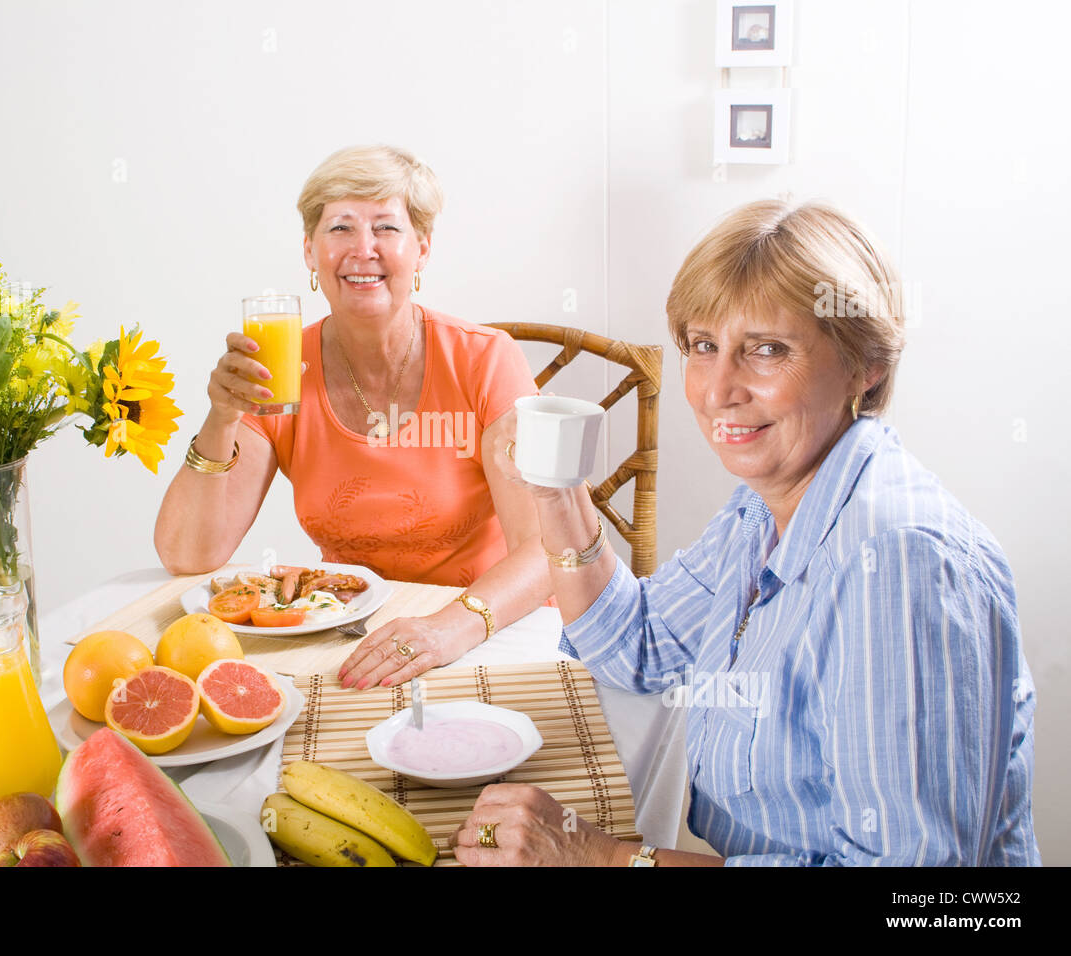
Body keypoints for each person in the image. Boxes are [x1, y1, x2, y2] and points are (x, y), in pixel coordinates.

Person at [452, 200, 1040, 866]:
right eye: (704, 346)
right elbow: (635, 644)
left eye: (767, 349)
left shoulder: (900, 565)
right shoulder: (763, 510)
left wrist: (605, 858)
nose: (717, 390)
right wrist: (554, 487)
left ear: (864, 364)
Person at [155, 144, 549, 689]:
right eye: (340, 228)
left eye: (386, 228)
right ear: (310, 253)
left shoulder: (485, 359)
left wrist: (444, 630)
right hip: (350, 635)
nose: (363, 249)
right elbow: (188, 554)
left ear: (422, 250)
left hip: (484, 628)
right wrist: (221, 419)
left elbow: (546, 546)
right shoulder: (279, 368)